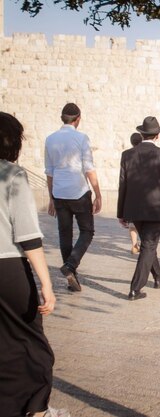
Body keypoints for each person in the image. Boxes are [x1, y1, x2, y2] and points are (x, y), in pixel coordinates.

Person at [0, 112, 70, 417]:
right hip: (8, 269)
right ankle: (35, 409)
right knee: (33, 346)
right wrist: (46, 283)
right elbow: (28, 235)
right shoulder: (12, 175)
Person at [44, 103, 102, 292]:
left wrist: (51, 197)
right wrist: (98, 193)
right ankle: (70, 265)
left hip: (59, 193)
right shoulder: (81, 138)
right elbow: (89, 168)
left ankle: (72, 277)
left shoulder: (50, 139)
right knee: (87, 231)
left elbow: (49, 171)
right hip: (78, 192)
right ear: (78, 119)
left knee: (65, 234)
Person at [117, 117, 160, 300]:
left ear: (142, 134)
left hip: (134, 209)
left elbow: (123, 184)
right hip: (156, 208)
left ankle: (158, 276)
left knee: (148, 246)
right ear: (157, 135)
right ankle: (135, 288)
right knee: (149, 246)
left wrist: (121, 212)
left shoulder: (127, 155)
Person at [127, 133, 143, 255]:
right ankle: (144, 243)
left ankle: (134, 245)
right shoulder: (145, 154)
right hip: (143, 192)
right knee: (144, 222)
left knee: (132, 224)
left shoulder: (127, 155)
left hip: (131, 193)